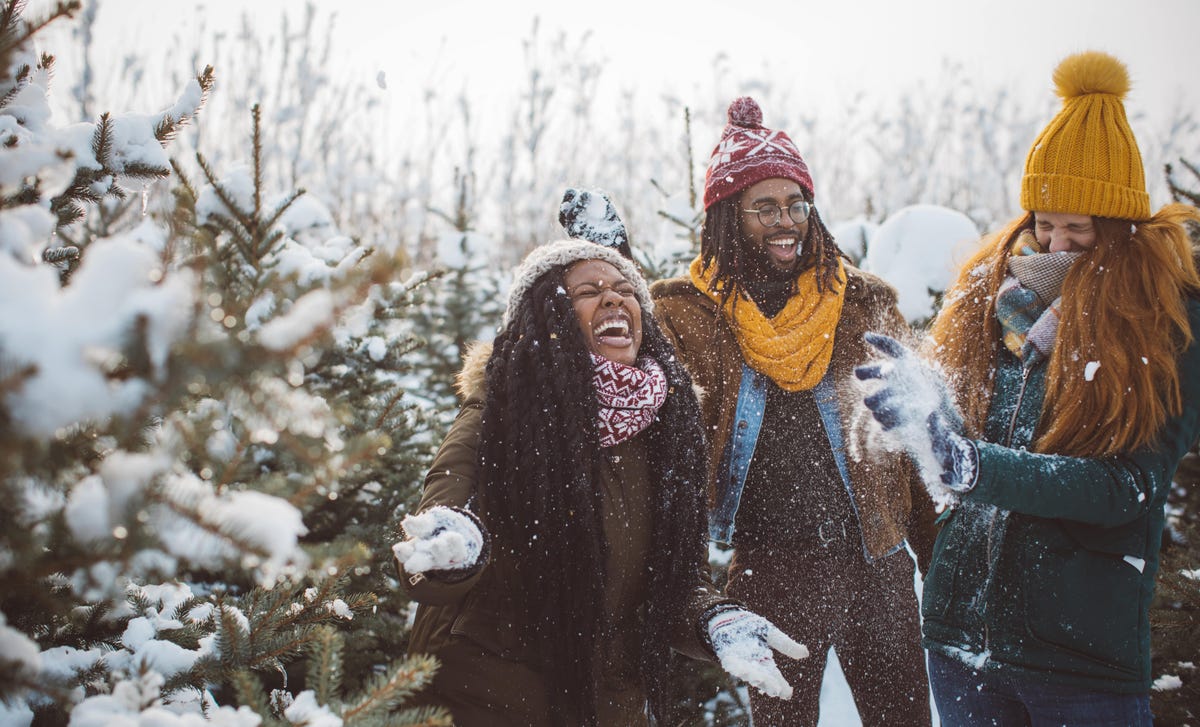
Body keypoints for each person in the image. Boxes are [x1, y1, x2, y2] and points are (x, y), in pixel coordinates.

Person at [856, 51, 1200, 726]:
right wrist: (925, 407)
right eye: (1046, 221)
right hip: (961, 641)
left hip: (1079, 658)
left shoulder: (1166, 323)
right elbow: (967, 438)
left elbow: (1125, 484)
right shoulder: (991, 298)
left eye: (1081, 228)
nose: (1057, 242)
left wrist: (980, 467)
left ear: (1122, 225)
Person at [393, 237, 807, 726]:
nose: (613, 298)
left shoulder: (667, 427)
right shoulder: (498, 413)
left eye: (624, 288)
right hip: (482, 697)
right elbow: (426, 553)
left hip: (606, 705)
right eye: (587, 291)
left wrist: (714, 619)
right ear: (547, 318)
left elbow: (673, 584)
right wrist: (455, 551)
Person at [650, 96, 936, 726]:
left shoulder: (863, 301)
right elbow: (659, 448)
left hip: (877, 563)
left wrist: (938, 556)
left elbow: (913, 435)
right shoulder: (686, 315)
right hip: (771, 566)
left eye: (796, 204)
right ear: (729, 217)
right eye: (765, 208)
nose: (787, 221)